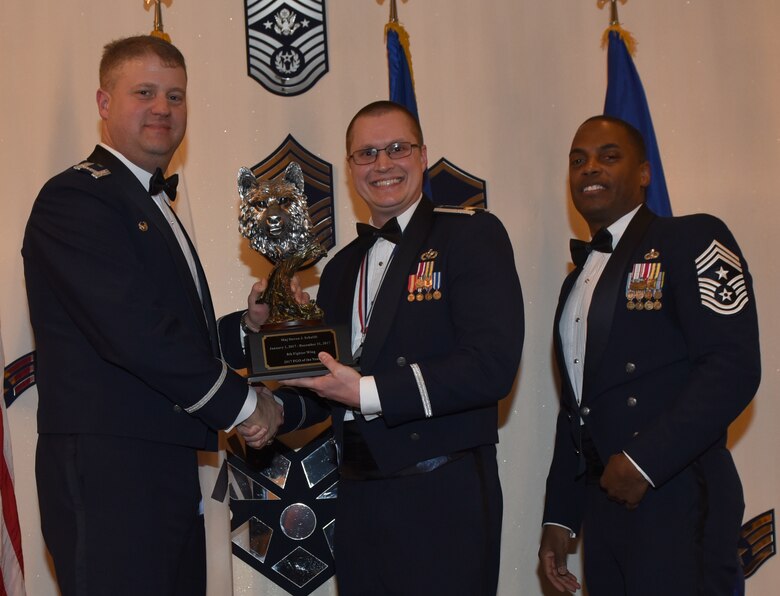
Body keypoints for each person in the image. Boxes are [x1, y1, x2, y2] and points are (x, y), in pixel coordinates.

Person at [222, 100, 524, 595]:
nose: (383, 164)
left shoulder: (470, 234)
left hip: (442, 496)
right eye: (366, 154)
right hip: (358, 500)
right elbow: (329, 385)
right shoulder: (341, 268)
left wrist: (365, 391)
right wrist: (276, 412)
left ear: (423, 156)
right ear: (350, 168)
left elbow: (490, 366)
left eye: (397, 148)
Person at [22, 35, 281, 596]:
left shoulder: (145, 200)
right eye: (144, 92)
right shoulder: (76, 199)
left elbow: (164, 334)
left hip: (156, 461)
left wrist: (247, 328)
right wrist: (243, 405)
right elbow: (134, 335)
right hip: (107, 467)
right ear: (103, 102)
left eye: (175, 95)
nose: (163, 107)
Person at [538, 115, 760, 595]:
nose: (590, 168)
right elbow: (576, 409)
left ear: (644, 173)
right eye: (578, 160)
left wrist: (644, 461)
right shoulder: (573, 283)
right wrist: (561, 514)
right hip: (605, 507)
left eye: (608, 156)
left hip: (678, 492)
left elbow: (733, 364)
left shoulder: (693, 238)